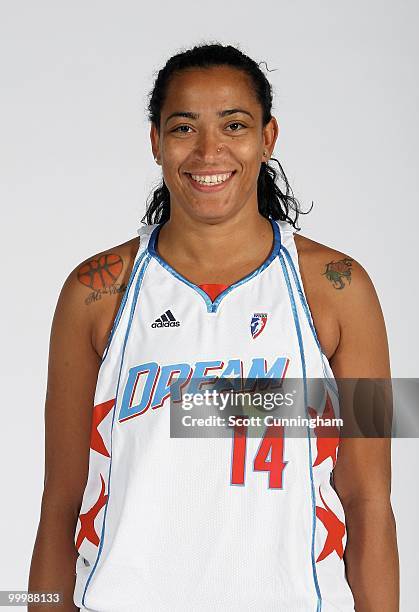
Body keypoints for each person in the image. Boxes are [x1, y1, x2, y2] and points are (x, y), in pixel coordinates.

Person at [29, 43, 399, 611]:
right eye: (183, 127)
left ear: (268, 137)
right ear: (155, 141)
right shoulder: (94, 292)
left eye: (234, 124)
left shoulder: (339, 289)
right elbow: (60, 500)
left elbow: (369, 499)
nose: (209, 150)